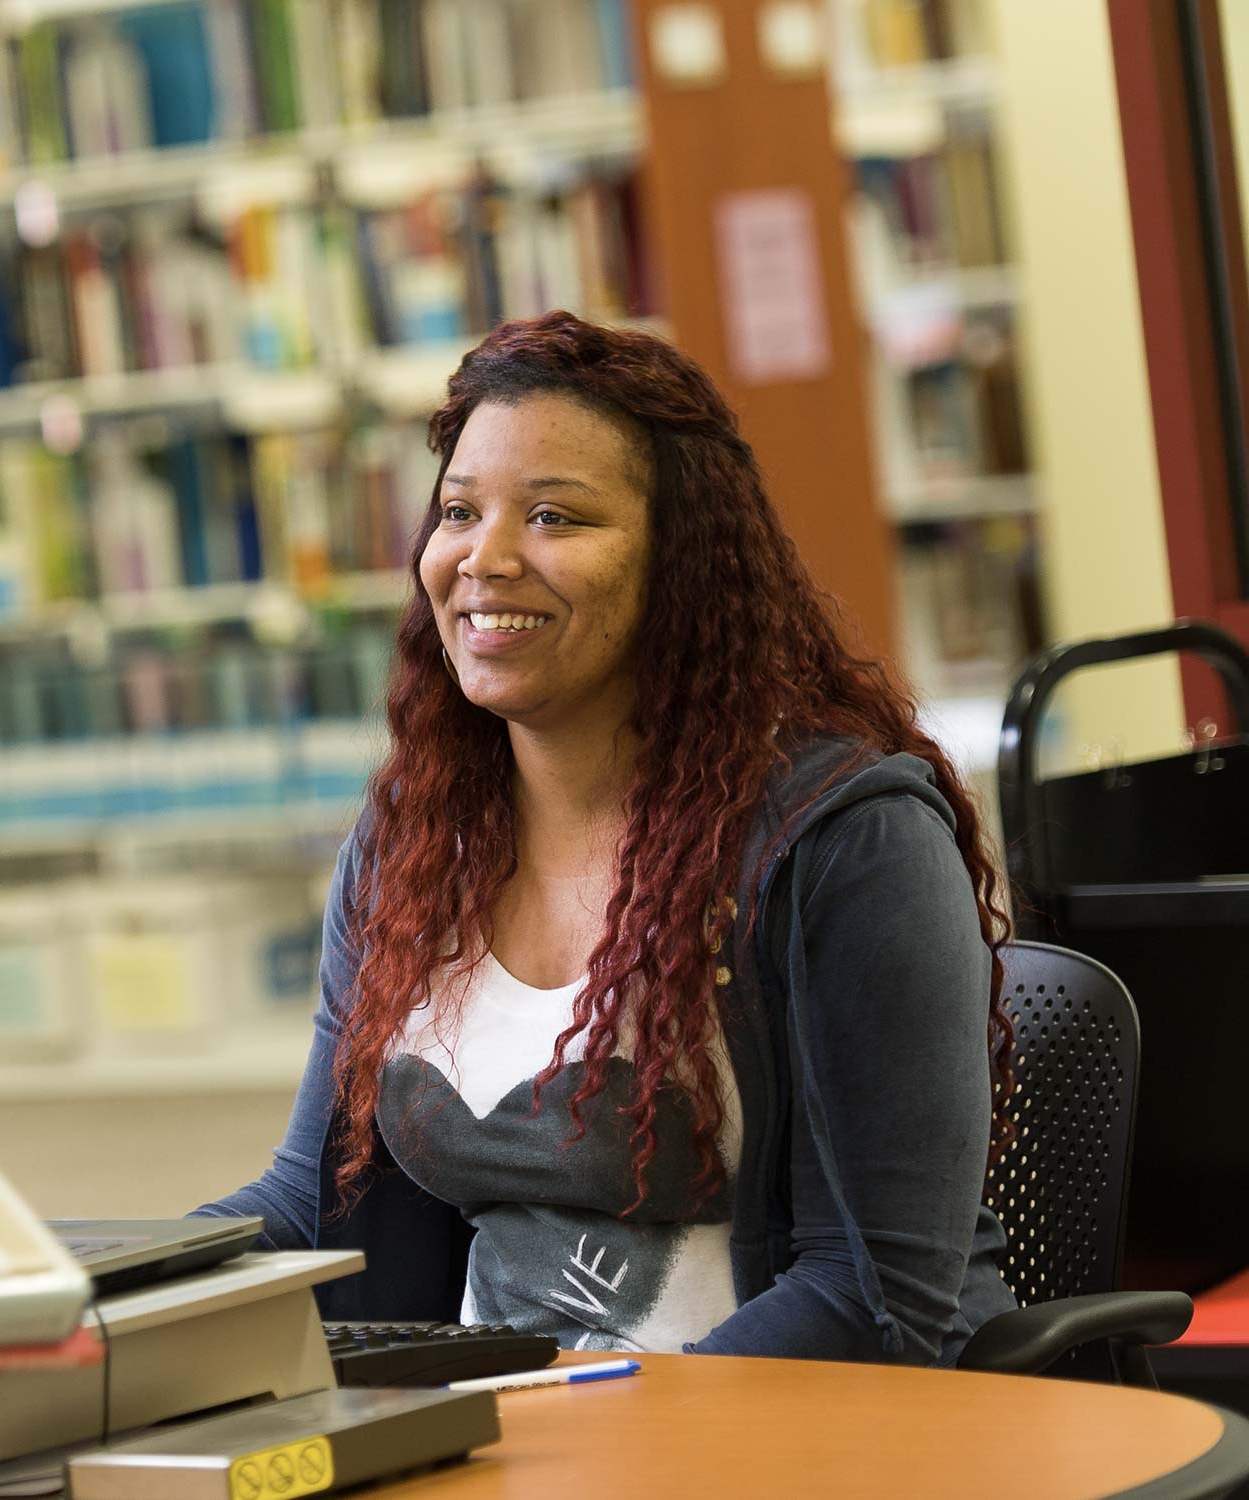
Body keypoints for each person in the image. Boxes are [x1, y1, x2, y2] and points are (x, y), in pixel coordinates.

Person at [201, 312, 1018, 1364]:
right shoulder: (414, 846)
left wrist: (592, 1454)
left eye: (554, 517)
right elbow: (322, 1207)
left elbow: (873, 1294)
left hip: (786, 1442)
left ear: (681, 562)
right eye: (458, 512)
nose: (484, 560)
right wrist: (81, 1291)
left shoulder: (843, 845)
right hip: (507, 1446)